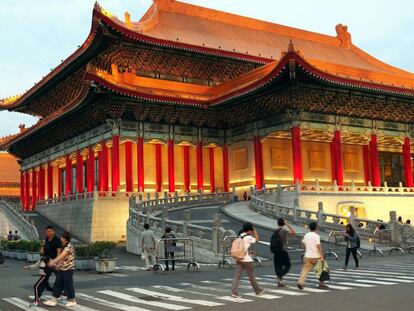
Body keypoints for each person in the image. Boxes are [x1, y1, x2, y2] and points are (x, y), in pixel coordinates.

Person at [231, 222, 265, 298]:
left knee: (237, 276)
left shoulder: (240, 236)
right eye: (251, 230)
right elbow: (257, 240)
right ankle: (258, 290)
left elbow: (243, 247)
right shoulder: (248, 237)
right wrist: (255, 231)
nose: (252, 231)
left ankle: (234, 292)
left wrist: (249, 252)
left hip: (239, 258)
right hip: (247, 260)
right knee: (251, 276)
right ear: (249, 230)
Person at [44, 231, 76, 307]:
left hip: (68, 269)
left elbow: (62, 256)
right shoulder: (63, 246)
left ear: (65, 239)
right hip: (62, 268)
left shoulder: (69, 246)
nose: (60, 238)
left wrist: (53, 262)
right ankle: (53, 300)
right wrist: (57, 265)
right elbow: (62, 259)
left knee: (68, 284)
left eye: (62, 237)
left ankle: (72, 300)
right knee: (57, 284)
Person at [297, 222, 328, 290]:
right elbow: (318, 247)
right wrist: (322, 256)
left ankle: (300, 282)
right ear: (316, 228)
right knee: (321, 270)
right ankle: (321, 284)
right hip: (316, 256)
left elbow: (303, 244)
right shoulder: (316, 236)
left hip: (307, 255)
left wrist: (307, 249)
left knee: (305, 270)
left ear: (309, 228)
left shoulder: (306, 235)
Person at [270, 218, 296, 287]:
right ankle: (280, 275)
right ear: (283, 223)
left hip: (276, 250)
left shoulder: (275, 231)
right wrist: (287, 224)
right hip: (283, 250)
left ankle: (279, 281)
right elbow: (293, 232)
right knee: (288, 265)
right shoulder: (284, 231)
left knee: (278, 265)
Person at [41, 226, 62, 293]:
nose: (48, 233)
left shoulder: (57, 240)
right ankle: (47, 289)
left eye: (49, 231)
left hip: (54, 262)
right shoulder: (47, 239)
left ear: (53, 231)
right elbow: (43, 251)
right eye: (47, 232)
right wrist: (42, 247)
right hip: (47, 261)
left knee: (60, 278)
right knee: (44, 277)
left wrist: (57, 262)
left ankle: (62, 292)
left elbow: (59, 252)